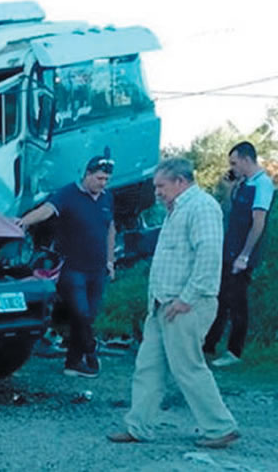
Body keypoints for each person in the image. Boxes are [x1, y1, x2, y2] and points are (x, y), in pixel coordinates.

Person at [108, 158, 239, 449]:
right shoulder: (175, 210)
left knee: (188, 368)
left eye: (161, 186)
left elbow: (209, 256)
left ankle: (220, 427)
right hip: (162, 305)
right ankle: (139, 426)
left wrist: (186, 299)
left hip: (186, 305)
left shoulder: (202, 207)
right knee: (148, 367)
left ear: (181, 182)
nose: (156, 192)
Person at [17, 155, 116, 378]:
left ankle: (73, 362)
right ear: (87, 175)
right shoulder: (68, 193)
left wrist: (110, 261)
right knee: (80, 313)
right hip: (73, 267)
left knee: (88, 315)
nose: (103, 184)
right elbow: (48, 210)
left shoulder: (107, 198)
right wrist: (25, 221)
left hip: (98, 267)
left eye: (107, 180)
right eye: (100, 178)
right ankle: (90, 351)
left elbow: (110, 229)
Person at [204, 141, 275, 367]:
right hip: (229, 250)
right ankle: (209, 345)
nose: (232, 167)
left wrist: (245, 255)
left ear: (246, 159)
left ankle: (234, 351)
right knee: (221, 298)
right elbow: (227, 211)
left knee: (237, 302)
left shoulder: (262, 185)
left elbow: (258, 222)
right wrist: (228, 190)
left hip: (242, 254)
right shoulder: (243, 183)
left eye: (235, 163)